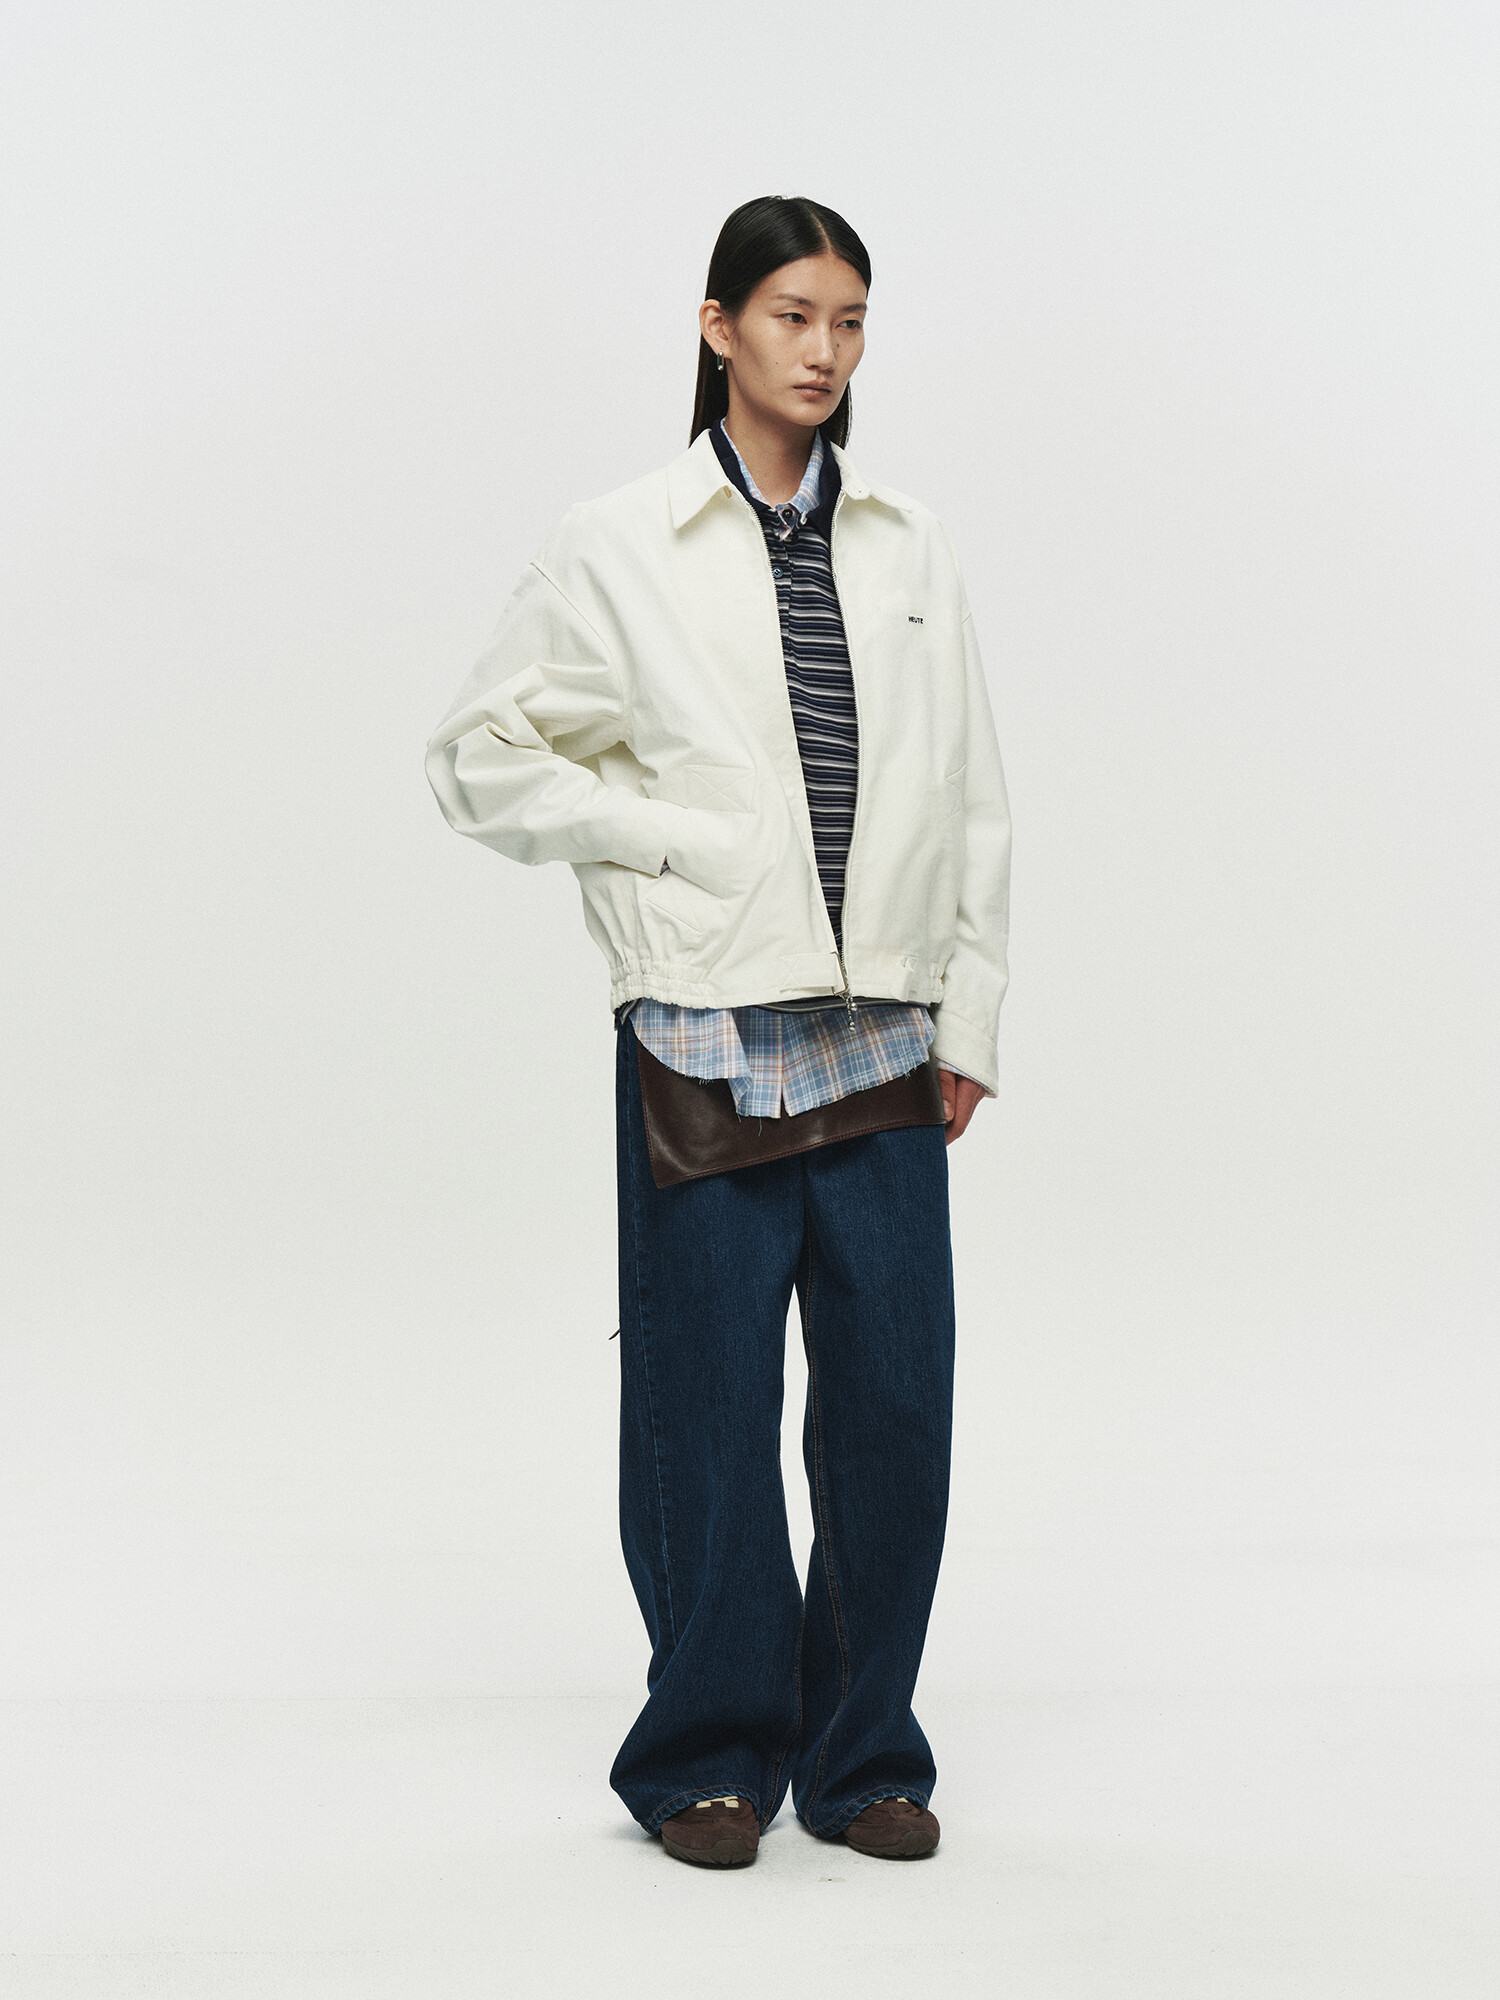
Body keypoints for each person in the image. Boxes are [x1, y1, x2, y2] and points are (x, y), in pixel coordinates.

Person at [425, 195, 1011, 1867]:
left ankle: (863, 1750)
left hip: (883, 1033)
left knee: (895, 1410)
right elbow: (476, 753)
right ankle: (705, 1753)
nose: (823, 352)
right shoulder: (619, 542)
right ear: (719, 327)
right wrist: (663, 841)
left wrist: (971, 1010)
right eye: (792, 317)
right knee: (707, 1413)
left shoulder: (906, 541)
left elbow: (970, 789)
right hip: (704, 1034)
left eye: (849, 322)